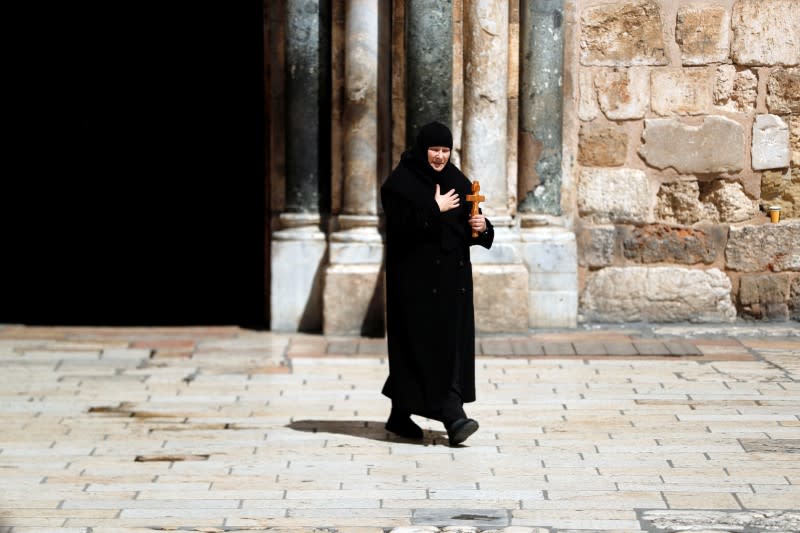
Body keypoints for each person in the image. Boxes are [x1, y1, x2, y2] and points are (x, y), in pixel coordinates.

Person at [380, 121, 494, 446]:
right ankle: (453, 417)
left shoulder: (456, 180)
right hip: (416, 287)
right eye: (435, 150)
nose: (440, 157)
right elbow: (401, 229)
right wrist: (434, 207)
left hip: (453, 286)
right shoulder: (400, 183)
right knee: (431, 348)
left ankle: (400, 413)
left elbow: (471, 226)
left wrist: (482, 226)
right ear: (422, 148)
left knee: (444, 349)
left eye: (445, 150)